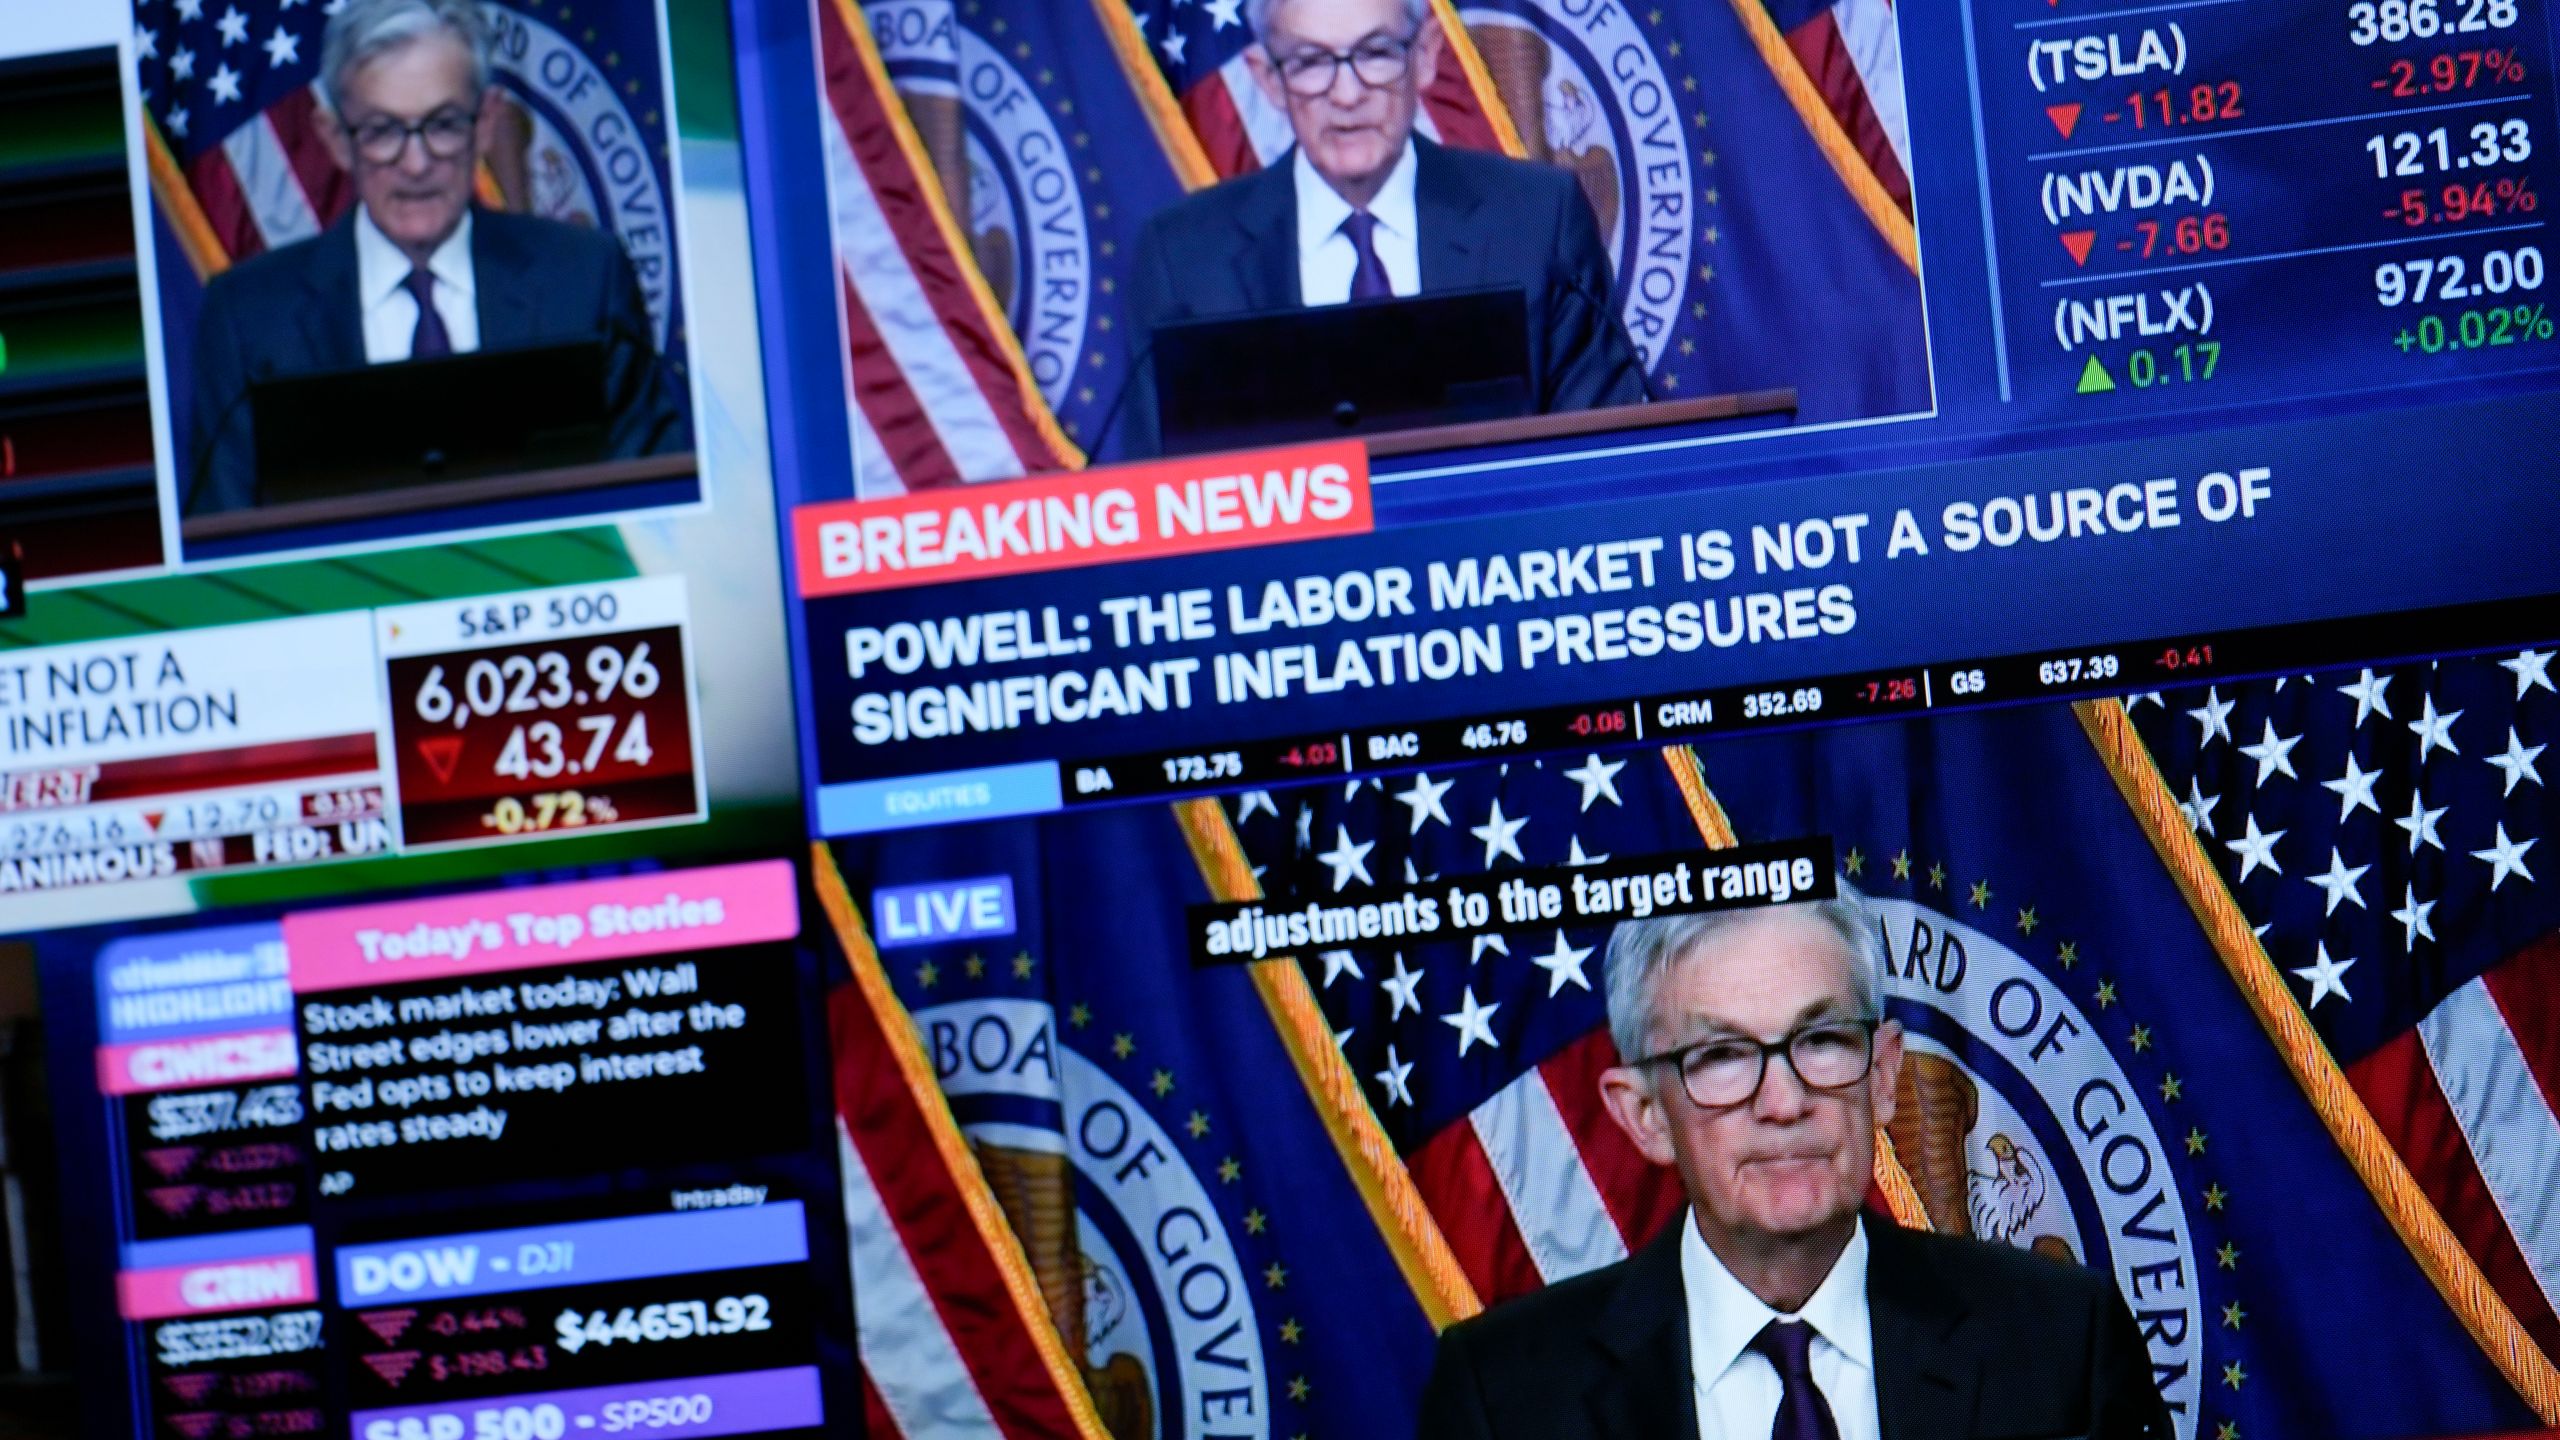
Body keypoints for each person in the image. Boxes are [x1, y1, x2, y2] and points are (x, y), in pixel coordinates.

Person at [1416, 898, 2172, 1440]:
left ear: (1882, 1074)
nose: (1784, 1101)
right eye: (1721, 1055)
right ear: (1644, 1114)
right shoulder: (1503, 1396)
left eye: (1821, 1040)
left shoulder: (2061, 1341)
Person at [184, 0, 686, 516]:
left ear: (485, 123)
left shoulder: (584, 281)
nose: (417, 164)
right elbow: (226, 535)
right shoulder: (249, 318)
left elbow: (654, 507)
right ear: (336, 139)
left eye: (443, 124)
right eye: (381, 131)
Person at [1122, 0, 1646, 454]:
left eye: (1375, 53)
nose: (1347, 94)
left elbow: (1601, 462)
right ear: (1268, 79)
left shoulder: (1536, 221)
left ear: (1423, 55)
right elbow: (1163, 507)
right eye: (1310, 62)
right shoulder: (1183, 259)